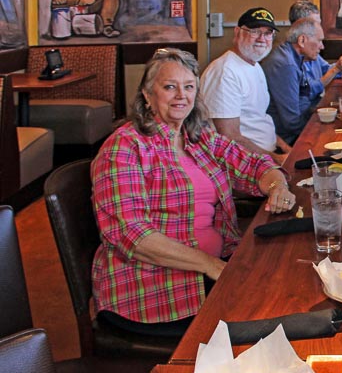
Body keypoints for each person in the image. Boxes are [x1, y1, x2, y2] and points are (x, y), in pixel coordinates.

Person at [91, 48, 296, 336]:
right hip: (153, 291)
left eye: (188, 87)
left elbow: (254, 164)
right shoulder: (124, 147)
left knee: (290, 284)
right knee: (271, 320)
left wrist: (278, 186)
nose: (181, 96)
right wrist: (210, 265)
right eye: (169, 87)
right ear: (148, 96)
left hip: (212, 270)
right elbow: (133, 235)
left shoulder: (198, 137)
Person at [200, 7, 290, 162]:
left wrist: (286, 148)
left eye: (268, 33)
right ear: (237, 32)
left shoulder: (254, 65)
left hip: (268, 153)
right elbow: (228, 138)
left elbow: (257, 119)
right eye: (254, 31)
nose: (262, 38)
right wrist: (276, 159)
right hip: (244, 163)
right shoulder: (225, 72)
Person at [262, 17, 342, 144]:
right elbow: (291, 122)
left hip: (303, 123)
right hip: (290, 138)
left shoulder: (294, 55)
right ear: (302, 40)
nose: (322, 46)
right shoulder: (286, 65)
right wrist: (320, 132)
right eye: (319, 40)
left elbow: (306, 90)